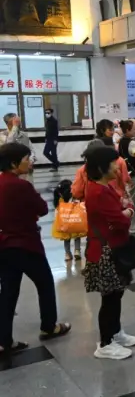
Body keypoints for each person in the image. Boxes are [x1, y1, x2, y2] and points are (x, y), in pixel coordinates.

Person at [0, 143, 71, 356]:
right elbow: (42, 208)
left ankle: (4, 341)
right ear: (14, 163)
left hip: (4, 245)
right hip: (26, 244)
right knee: (45, 283)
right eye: (26, 158)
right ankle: (49, 326)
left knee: (8, 292)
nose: (30, 162)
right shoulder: (21, 186)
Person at [82, 145, 135, 360]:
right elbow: (119, 220)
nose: (118, 167)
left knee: (116, 294)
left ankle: (115, 332)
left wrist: (123, 208)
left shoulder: (103, 188)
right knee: (110, 298)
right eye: (114, 163)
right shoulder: (98, 191)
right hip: (105, 251)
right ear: (101, 168)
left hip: (111, 246)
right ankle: (105, 343)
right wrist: (129, 210)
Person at [53, 179, 83, 261]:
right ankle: (77, 251)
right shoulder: (73, 197)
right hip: (74, 220)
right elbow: (79, 206)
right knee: (77, 235)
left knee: (66, 238)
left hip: (64, 221)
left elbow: (56, 211)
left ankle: (67, 254)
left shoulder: (59, 198)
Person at [0, 113, 36, 183]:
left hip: (26, 169)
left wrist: (30, 161)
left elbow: (31, 150)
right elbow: (8, 145)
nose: (17, 122)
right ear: (8, 123)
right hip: (12, 171)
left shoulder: (23, 134)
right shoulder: (2, 135)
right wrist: (14, 127)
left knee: (27, 187)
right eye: (14, 120)